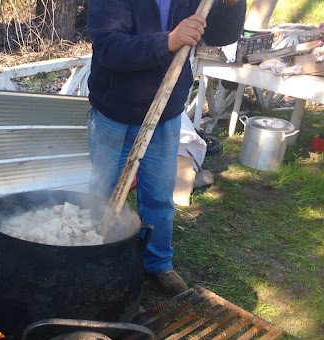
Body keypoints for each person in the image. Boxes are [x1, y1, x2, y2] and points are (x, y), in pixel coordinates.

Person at [87, 0, 246, 296]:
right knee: (103, 196)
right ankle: (94, 261)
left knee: (160, 197)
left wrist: (231, 5)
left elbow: (222, 35)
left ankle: (158, 263)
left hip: (166, 114)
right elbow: (109, 48)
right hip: (115, 112)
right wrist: (169, 41)